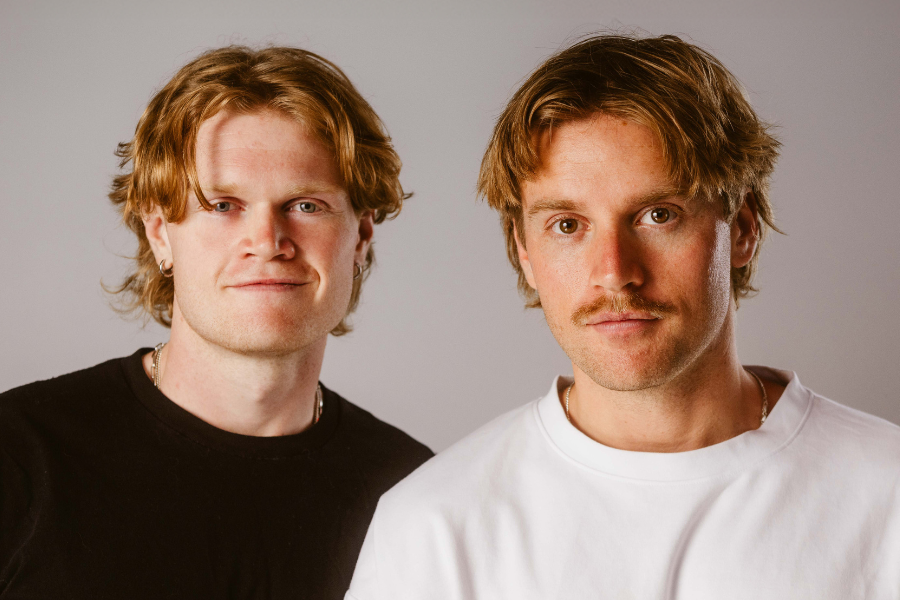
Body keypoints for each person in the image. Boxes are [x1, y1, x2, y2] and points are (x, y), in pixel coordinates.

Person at [346, 34, 900, 599]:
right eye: (567, 225)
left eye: (658, 215)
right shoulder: (434, 528)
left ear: (743, 229)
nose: (614, 272)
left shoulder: (887, 494)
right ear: (524, 251)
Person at [0, 46, 432, 599]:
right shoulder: (17, 457)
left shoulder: (412, 494)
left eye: (305, 205)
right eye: (222, 205)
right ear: (160, 234)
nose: (266, 242)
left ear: (361, 237)